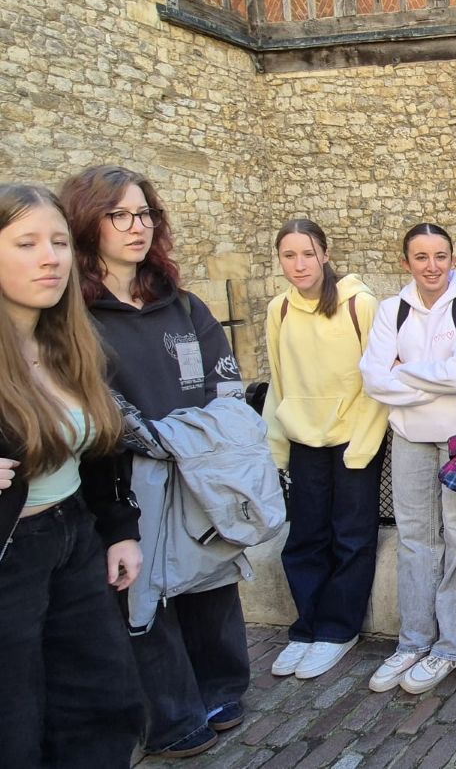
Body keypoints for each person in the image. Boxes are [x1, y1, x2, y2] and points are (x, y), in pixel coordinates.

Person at [60, 165, 250, 758]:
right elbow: (96, 401)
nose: (135, 226)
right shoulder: (76, 317)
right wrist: (158, 442)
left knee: (211, 582)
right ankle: (172, 713)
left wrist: (191, 441)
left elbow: (226, 385)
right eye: (118, 214)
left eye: (143, 213)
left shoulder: (182, 305)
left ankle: (221, 687)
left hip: (198, 472)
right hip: (127, 479)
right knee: (145, 595)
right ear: (88, 223)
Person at [0, 184, 146, 768]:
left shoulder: (70, 344)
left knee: (102, 702)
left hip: (74, 538)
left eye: (59, 243)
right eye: (26, 243)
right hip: (11, 551)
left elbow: (102, 449)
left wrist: (119, 529)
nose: (49, 259)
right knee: (15, 721)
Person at [359, 223, 456, 694]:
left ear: (453, 260)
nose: (432, 266)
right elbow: (373, 378)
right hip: (409, 437)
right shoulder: (392, 310)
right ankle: (413, 640)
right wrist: (431, 381)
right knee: (415, 538)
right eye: (421, 257)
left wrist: (404, 372)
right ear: (406, 263)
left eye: (440, 256)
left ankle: (453, 644)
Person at [263, 219, 389, 680]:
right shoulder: (279, 310)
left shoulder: (360, 305)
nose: (299, 264)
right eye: (289, 256)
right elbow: (279, 380)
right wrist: (276, 446)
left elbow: (378, 379)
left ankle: (338, 630)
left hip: (355, 437)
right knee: (305, 535)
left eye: (307, 254)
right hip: (304, 437)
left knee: (351, 537)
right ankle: (308, 627)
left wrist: (364, 443)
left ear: (325, 255)